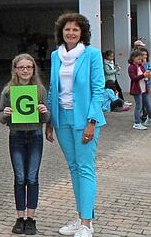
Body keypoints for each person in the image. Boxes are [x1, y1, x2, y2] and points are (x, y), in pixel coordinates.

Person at [45, 13, 106, 237]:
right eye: (67, 29)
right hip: (62, 119)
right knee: (73, 168)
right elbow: (53, 88)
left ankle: (87, 224)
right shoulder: (55, 56)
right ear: (61, 32)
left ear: (82, 33)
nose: (70, 33)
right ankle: (81, 216)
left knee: (85, 168)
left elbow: (98, 90)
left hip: (85, 120)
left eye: (75, 30)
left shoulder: (91, 55)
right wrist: (50, 120)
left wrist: (92, 121)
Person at [0, 53, 49, 235]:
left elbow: (47, 117)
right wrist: (6, 113)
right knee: (20, 177)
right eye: (21, 67)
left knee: (32, 177)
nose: (25, 70)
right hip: (16, 136)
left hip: (35, 135)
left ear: (33, 69)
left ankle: (31, 219)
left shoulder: (40, 90)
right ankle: (19, 218)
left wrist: (44, 111)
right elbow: (1, 118)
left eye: (29, 67)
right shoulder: (8, 90)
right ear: (15, 70)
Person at [127, 49, 151, 130]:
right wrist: (144, 76)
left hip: (144, 89)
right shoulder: (131, 67)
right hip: (137, 90)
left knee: (148, 105)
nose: (140, 60)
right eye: (139, 59)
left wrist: (147, 76)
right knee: (139, 106)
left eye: (141, 59)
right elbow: (133, 78)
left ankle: (149, 119)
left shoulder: (141, 66)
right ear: (133, 58)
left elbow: (145, 76)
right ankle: (137, 122)